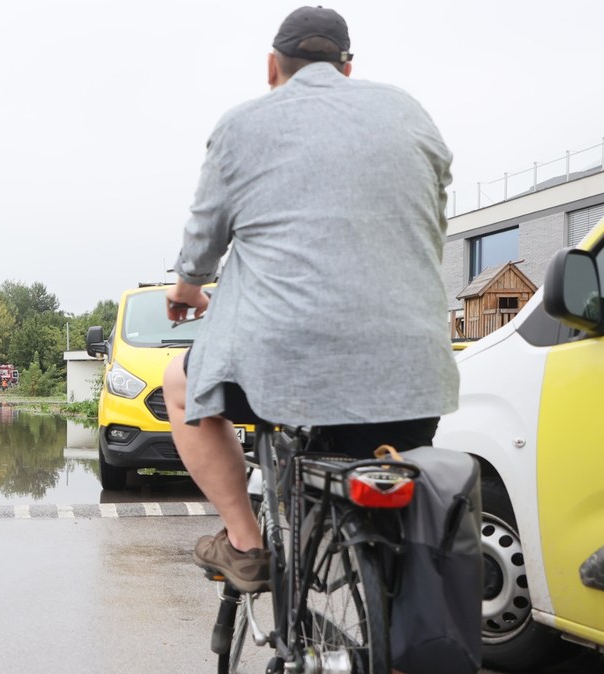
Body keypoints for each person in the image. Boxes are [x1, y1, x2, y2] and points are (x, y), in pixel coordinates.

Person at [162, 6, 459, 592]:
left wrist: (187, 286)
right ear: (348, 68)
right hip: (413, 368)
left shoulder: (243, 124)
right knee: (404, 529)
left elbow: (205, 234)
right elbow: (434, 205)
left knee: (179, 382)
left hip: (285, 365)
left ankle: (245, 546)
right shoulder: (407, 111)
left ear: (273, 67)